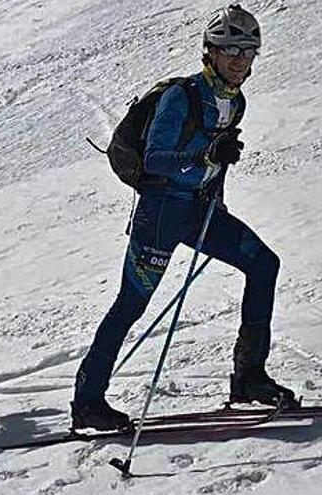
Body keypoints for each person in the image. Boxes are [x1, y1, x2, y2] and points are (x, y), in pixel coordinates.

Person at [72, 4, 297, 432]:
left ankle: (248, 377)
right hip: (160, 213)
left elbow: (214, 165)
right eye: (230, 49)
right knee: (130, 305)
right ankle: (87, 401)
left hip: (200, 211)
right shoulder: (183, 95)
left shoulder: (236, 101)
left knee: (264, 264)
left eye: (248, 51)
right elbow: (156, 159)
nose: (239, 59)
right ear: (209, 51)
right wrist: (205, 155)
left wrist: (216, 185)